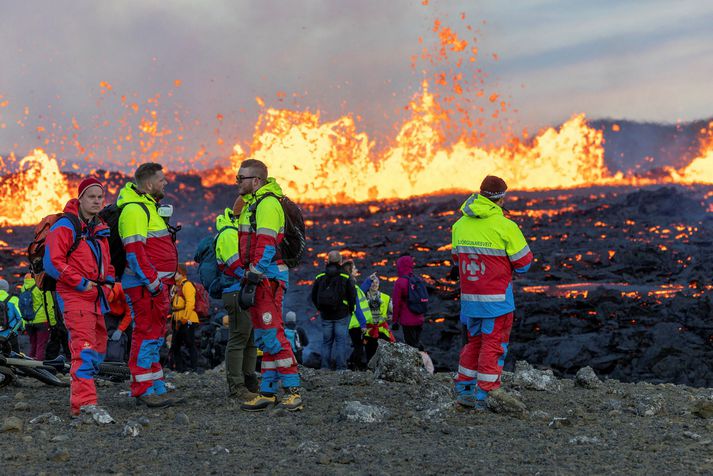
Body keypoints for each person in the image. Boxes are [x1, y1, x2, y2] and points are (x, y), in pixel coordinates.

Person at [451, 175, 533, 408]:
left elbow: (457, 258)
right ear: (502, 198)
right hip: (497, 301)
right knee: (493, 345)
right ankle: (485, 394)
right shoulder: (506, 227)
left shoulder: (459, 225)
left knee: (473, 343)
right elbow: (524, 263)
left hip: (470, 301)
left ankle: (464, 387)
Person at [43, 177, 115, 422]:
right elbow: (52, 262)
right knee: (83, 351)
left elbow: (108, 263)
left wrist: (109, 286)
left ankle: (82, 394)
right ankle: (84, 404)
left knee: (97, 350)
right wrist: (81, 282)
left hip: (97, 299)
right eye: (91, 196)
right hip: (75, 297)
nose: (96, 201)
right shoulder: (66, 225)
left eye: (100, 197)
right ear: (80, 198)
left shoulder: (99, 228)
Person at [233, 159, 303, 412]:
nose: (237, 182)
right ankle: (268, 392)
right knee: (264, 336)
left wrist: (255, 272)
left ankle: (293, 391)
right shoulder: (253, 205)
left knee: (273, 334)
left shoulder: (267, 204)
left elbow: (266, 243)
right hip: (261, 277)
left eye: (241, 178)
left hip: (267, 278)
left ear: (257, 181)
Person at [118, 163, 180, 407]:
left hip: (155, 285)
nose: (165, 183)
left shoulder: (148, 207)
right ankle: (142, 389)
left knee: (154, 335)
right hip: (145, 286)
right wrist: (154, 283)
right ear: (148, 183)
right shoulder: (134, 210)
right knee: (145, 334)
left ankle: (156, 386)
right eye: (161, 179)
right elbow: (135, 252)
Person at [215, 207, 259, 400]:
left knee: (249, 340)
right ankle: (237, 386)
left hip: (243, 292)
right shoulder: (228, 234)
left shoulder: (237, 232)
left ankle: (249, 381)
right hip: (235, 292)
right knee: (239, 339)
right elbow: (235, 266)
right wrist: (255, 277)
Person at [311, 250, 355, 371]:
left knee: (327, 342)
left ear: (328, 261)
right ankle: (341, 368)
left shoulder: (320, 276)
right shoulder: (345, 277)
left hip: (326, 316)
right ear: (340, 261)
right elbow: (352, 296)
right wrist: (350, 310)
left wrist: (320, 308)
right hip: (341, 315)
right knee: (341, 342)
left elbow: (313, 296)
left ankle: (325, 367)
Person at [343, 260, 372, 370]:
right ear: (350, 271)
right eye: (354, 268)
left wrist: (369, 281)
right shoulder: (351, 287)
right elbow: (357, 308)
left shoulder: (352, 286)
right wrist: (363, 324)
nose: (356, 270)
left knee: (358, 346)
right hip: (355, 324)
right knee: (359, 347)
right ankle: (352, 365)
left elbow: (361, 291)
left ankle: (353, 365)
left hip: (355, 323)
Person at [392, 255, 425, 349]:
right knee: (417, 342)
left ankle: (419, 362)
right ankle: (423, 360)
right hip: (419, 319)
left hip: (407, 321)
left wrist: (395, 321)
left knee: (411, 346)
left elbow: (396, 304)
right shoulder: (418, 279)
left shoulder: (400, 282)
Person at [170, 265, 199, 373]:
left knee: (189, 343)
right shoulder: (175, 287)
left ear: (182, 273)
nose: (175, 275)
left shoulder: (187, 285)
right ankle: (180, 369)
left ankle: (193, 369)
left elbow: (190, 304)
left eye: (177, 273)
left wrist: (184, 319)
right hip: (177, 318)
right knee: (176, 345)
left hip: (188, 319)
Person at [20, 273, 54, 360]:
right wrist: (53, 322)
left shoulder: (23, 288)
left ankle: (30, 366)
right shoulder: (42, 287)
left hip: (28, 321)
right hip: (42, 321)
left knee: (33, 345)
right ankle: (39, 367)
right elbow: (49, 306)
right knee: (41, 346)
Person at [363, 273, 395, 357]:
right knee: (369, 353)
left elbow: (394, 311)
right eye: (372, 282)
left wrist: (393, 316)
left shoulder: (386, 297)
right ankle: (370, 369)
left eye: (376, 282)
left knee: (383, 354)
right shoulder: (362, 298)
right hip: (368, 330)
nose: (374, 284)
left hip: (382, 330)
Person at [104, 282, 133, 363]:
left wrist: (120, 329)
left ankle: (127, 359)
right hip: (108, 313)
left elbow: (129, 313)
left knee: (130, 335)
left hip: (124, 314)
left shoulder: (124, 292)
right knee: (106, 335)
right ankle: (106, 357)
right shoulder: (104, 291)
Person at [0, 278, 23, 352]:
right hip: (10, 334)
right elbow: (20, 318)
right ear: (6, 288)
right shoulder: (13, 299)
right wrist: (22, 328)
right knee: (15, 357)